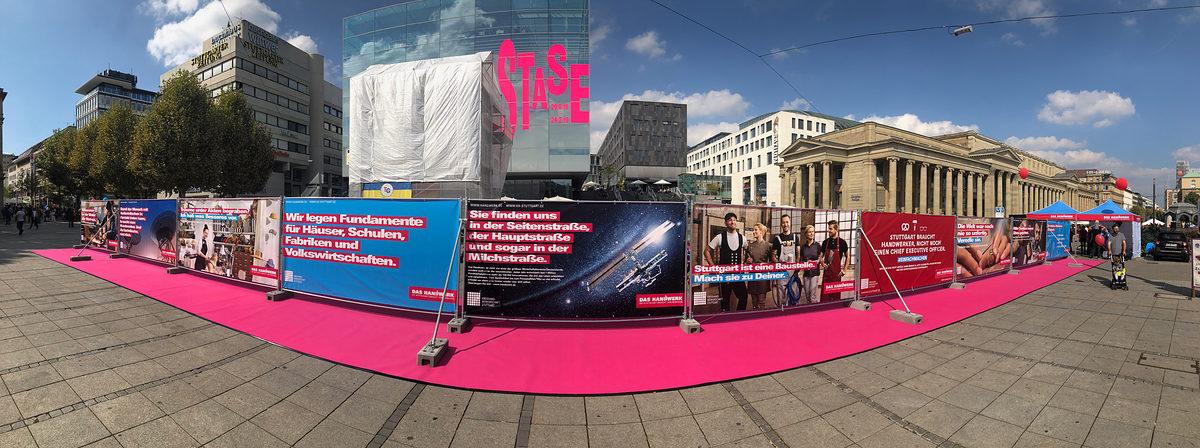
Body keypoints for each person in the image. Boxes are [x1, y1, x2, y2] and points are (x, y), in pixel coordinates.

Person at [705, 212, 749, 312]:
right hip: (724, 275)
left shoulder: (742, 238)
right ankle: (726, 320)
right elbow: (706, 251)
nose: (732, 222)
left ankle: (739, 316)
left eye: (734, 220)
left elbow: (748, 251)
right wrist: (714, 267)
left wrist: (746, 262)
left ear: (736, 222)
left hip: (738, 275)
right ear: (725, 223)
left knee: (744, 296)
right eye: (730, 220)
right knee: (725, 301)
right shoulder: (720, 237)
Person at [771, 214, 802, 306]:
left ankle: (792, 316)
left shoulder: (795, 237)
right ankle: (781, 315)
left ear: (790, 223)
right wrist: (780, 265)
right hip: (782, 272)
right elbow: (773, 256)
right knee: (781, 297)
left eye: (787, 222)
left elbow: (798, 255)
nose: (785, 224)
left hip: (793, 271)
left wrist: (797, 269)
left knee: (794, 296)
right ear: (781, 224)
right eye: (783, 222)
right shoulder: (777, 239)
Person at [819, 220, 851, 302]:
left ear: (836, 230)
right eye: (828, 229)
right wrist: (822, 263)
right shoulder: (825, 242)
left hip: (836, 275)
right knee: (825, 298)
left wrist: (844, 270)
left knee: (835, 298)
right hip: (827, 274)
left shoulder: (842, 243)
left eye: (830, 229)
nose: (828, 231)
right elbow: (820, 256)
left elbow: (848, 257)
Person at [745, 223, 773, 309]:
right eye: (753, 230)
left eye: (755, 230)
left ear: (761, 232)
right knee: (754, 302)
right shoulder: (750, 246)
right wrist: (747, 261)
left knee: (761, 301)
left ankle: (761, 318)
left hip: (763, 277)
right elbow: (746, 261)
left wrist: (766, 264)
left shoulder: (768, 246)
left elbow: (772, 262)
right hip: (752, 276)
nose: (753, 232)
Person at [798, 225, 822, 304]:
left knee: (812, 296)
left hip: (815, 273)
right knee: (807, 296)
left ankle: (814, 313)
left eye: (813, 232)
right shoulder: (803, 248)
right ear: (806, 234)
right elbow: (801, 260)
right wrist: (805, 265)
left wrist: (813, 263)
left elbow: (820, 259)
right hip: (806, 274)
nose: (812, 233)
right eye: (810, 232)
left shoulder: (818, 246)